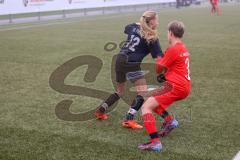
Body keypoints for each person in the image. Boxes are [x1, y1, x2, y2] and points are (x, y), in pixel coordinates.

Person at [94, 11, 163, 129]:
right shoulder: (152, 37)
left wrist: (139, 23)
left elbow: (127, 27)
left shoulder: (134, 27)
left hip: (120, 59)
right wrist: (164, 72)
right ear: (151, 21)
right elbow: (160, 58)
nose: (158, 22)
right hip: (131, 63)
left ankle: (100, 111)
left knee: (120, 91)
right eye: (156, 19)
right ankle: (128, 120)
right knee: (143, 92)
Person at [138, 20, 191, 152]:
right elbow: (174, 67)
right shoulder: (182, 47)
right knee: (149, 98)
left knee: (146, 107)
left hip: (175, 87)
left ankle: (155, 143)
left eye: (168, 32)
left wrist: (158, 56)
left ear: (170, 33)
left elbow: (158, 69)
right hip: (182, 85)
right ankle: (170, 121)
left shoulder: (173, 49)